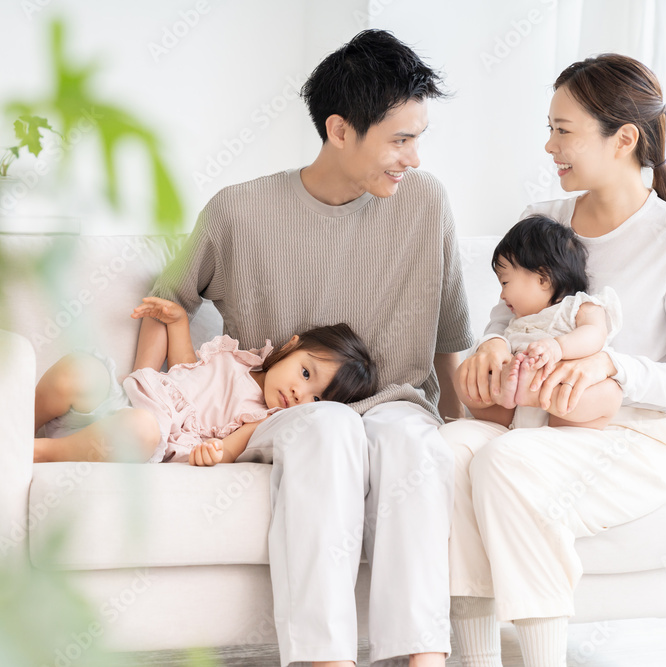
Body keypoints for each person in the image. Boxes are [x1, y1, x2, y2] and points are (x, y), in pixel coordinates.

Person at [135, 29, 471, 667]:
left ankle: (423, 657)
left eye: (418, 138)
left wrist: (463, 423)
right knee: (327, 426)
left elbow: (450, 332)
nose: (414, 158)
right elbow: (167, 300)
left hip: (395, 402)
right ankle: (324, 658)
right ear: (340, 130)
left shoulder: (427, 202)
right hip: (278, 413)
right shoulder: (238, 210)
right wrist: (146, 403)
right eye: (400, 140)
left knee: (412, 441)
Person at [445, 53, 666, 667]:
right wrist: (491, 347)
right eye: (550, 128)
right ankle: (476, 658)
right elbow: (505, 320)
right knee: (446, 450)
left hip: (633, 438)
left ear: (624, 139)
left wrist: (612, 366)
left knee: (508, 461)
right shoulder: (540, 221)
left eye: (563, 130)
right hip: (537, 422)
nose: (550, 146)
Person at [33, 296, 378, 466]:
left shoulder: (262, 418)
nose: (298, 393)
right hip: (118, 400)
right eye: (305, 373)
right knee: (82, 369)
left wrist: (213, 454)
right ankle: (22, 423)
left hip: (145, 434)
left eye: (316, 400)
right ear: (291, 347)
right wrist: (177, 322)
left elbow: (229, 450)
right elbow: (185, 369)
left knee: (141, 427)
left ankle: (41, 452)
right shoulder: (236, 356)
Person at [459, 214, 623, 431]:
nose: (502, 295)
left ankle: (533, 394)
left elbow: (595, 333)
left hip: (562, 408)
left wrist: (558, 347)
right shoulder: (515, 323)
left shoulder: (579, 306)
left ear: (543, 279)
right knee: (464, 373)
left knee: (611, 393)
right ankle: (506, 392)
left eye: (505, 282)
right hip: (510, 412)